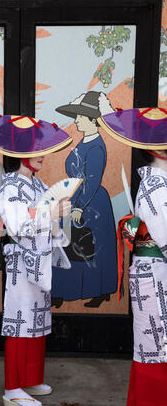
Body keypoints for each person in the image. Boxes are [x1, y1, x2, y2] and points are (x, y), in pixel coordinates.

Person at [0, 115, 72, 406]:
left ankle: (30, 377)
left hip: (40, 258)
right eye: (36, 149)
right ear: (19, 154)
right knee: (20, 321)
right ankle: (12, 387)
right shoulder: (9, 186)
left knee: (38, 319)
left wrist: (59, 214)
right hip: (22, 262)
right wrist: (53, 213)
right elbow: (18, 224)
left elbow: (45, 215)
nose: (42, 154)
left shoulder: (36, 182)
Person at [99, 106, 167, 406]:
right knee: (154, 348)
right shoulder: (156, 187)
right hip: (155, 274)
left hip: (157, 272)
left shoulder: (158, 182)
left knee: (156, 347)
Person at [51, 91, 118, 308]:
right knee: (68, 244)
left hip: (91, 202)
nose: (77, 120)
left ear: (92, 120)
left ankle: (99, 291)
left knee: (90, 248)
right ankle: (62, 291)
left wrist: (79, 207)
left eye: (80, 117)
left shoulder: (97, 145)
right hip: (75, 197)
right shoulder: (83, 141)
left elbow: (92, 178)